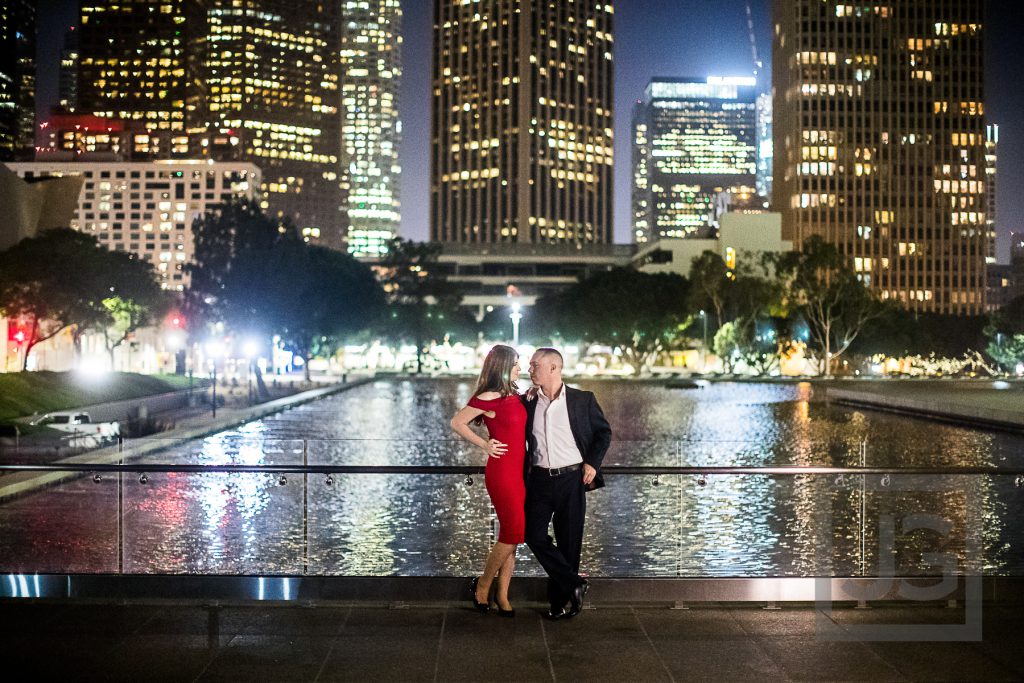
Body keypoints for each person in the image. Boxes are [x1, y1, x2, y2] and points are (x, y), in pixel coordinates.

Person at [524, 347, 612, 619]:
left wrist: (592, 463)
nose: (530, 369)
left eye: (534, 365)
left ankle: (560, 603)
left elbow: (603, 433)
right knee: (532, 535)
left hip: (572, 479)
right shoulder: (526, 401)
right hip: (538, 479)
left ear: (553, 368)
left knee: (569, 542)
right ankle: (575, 583)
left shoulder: (582, 400)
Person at [449, 344, 526, 616]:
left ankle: (503, 595)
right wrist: (485, 444)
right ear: (503, 366)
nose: (521, 368)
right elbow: (457, 422)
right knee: (513, 532)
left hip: (521, 472)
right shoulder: (488, 397)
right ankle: (482, 585)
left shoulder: (514, 395)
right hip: (503, 472)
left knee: (513, 534)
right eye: (516, 363)